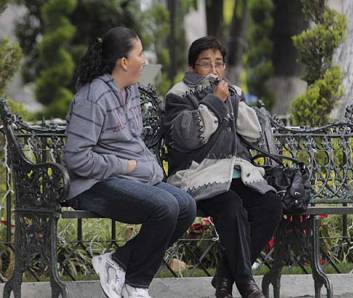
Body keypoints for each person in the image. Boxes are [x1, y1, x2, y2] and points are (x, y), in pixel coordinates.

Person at [63, 26, 196, 298]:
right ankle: (132, 279)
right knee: (165, 207)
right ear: (124, 62)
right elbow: (76, 158)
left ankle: (128, 275)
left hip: (124, 179)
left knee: (186, 206)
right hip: (91, 184)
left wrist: (147, 169)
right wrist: (126, 167)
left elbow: (131, 141)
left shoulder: (130, 91)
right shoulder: (93, 97)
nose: (145, 60)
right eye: (140, 53)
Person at [164, 36, 283, 298]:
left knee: (271, 204)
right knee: (231, 207)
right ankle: (245, 282)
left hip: (234, 173)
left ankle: (225, 278)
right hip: (197, 175)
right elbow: (188, 137)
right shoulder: (178, 94)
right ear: (193, 67)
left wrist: (233, 101)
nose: (214, 69)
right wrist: (215, 103)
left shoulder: (232, 92)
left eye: (219, 63)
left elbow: (254, 136)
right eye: (206, 64)